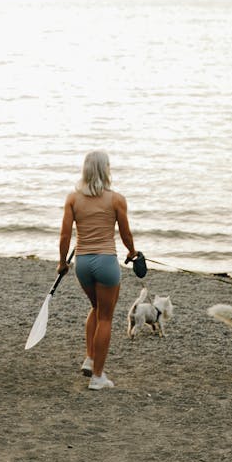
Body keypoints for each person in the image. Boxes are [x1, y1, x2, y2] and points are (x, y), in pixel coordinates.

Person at [57, 150, 138, 390]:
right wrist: (132, 253)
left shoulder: (73, 199)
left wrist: (62, 263)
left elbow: (64, 235)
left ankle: (91, 359)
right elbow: (125, 234)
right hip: (106, 263)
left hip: (82, 263)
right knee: (105, 316)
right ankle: (98, 377)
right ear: (106, 170)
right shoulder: (116, 199)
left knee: (96, 308)